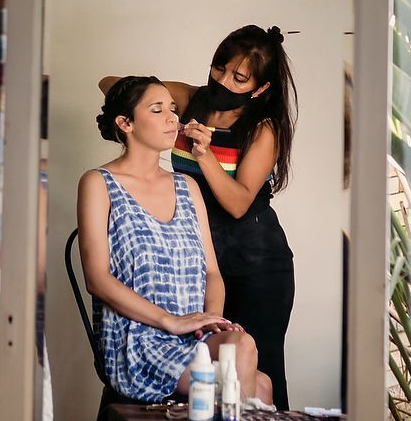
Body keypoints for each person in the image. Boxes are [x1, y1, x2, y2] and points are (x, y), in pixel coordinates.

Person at [99, 25, 298, 409]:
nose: (222, 80)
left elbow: (238, 203)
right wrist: (153, 105)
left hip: (256, 264)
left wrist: (203, 153)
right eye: (219, 68)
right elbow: (112, 85)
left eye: (238, 78)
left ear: (259, 89)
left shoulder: (261, 129)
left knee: (260, 373)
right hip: (200, 258)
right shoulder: (189, 99)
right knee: (207, 368)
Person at [77, 75, 273, 406]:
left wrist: (210, 323)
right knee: (259, 385)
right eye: (157, 110)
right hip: (139, 339)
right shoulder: (99, 183)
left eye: (172, 108)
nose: (172, 118)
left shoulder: (187, 186)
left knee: (246, 355)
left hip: (191, 337)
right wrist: (171, 321)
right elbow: (97, 280)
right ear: (125, 123)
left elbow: (212, 273)